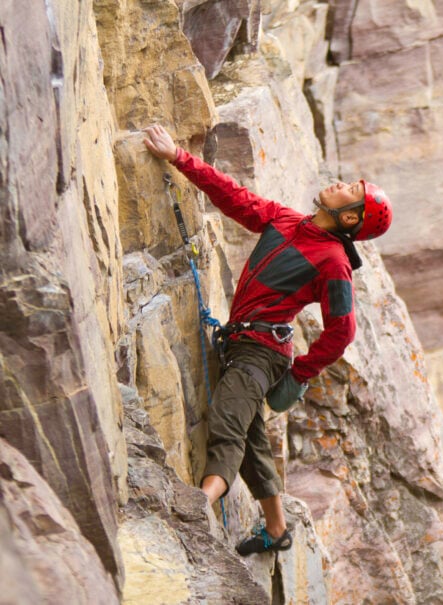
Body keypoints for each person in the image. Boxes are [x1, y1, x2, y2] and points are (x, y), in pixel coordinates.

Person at [143, 124, 392, 555]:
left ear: (350, 217)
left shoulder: (334, 262)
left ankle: (199, 503)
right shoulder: (287, 220)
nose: (338, 183)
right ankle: (276, 530)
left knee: (227, 420)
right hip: (245, 345)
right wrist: (178, 158)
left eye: (349, 188)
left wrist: (299, 372)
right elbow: (233, 197)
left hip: (263, 352)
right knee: (253, 438)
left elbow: (343, 329)